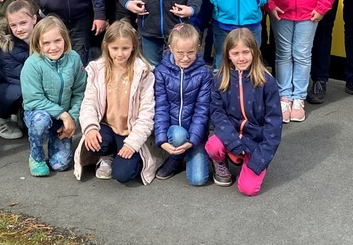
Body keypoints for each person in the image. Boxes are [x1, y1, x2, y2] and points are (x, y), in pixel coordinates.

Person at [73, 20, 162, 184]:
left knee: (122, 175)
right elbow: (89, 104)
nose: (120, 54)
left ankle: (132, 156)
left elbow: (147, 114)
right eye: (115, 48)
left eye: (125, 48)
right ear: (106, 46)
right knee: (93, 145)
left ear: (133, 47)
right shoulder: (97, 69)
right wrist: (90, 128)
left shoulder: (144, 73)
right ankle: (107, 155)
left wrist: (132, 144)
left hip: (130, 130)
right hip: (106, 126)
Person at [206, 28, 282, 196]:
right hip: (231, 135)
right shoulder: (220, 80)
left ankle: (247, 161)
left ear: (254, 51)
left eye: (246, 52)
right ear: (228, 55)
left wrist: (260, 159)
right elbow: (217, 114)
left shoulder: (267, 82)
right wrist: (233, 142)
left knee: (248, 189)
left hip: (255, 141)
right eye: (235, 53)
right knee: (213, 145)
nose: (241, 58)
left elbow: (274, 126)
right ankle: (222, 161)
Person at [21, 15, 87, 176]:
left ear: (65, 39)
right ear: (38, 44)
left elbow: (80, 91)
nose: (53, 47)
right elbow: (34, 99)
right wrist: (63, 114)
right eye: (46, 43)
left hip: (64, 118)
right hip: (39, 114)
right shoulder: (32, 64)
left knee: (60, 165)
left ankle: (56, 140)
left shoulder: (74, 59)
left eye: (57, 40)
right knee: (41, 121)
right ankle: (36, 156)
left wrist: (72, 118)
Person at [152, 23, 211, 186]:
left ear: (198, 48)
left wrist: (193, 140)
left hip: (196, 133)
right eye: (180, 53)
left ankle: (190, 150)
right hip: (174, 131)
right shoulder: (161, 72)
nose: (185, 58)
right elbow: (161, 108)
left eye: (190, 52)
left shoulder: (204, 73)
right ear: (171, 49)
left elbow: (202, 110)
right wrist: (162, 140)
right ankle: (175, 156)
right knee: (178, 135)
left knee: (198, 180)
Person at [0, 0, 39, 140]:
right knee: (20, 91)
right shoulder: (7, 48)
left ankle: (21, 112)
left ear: (34, 19)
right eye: (13, 25)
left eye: (23, 23)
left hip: (32, 85)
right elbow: (21, 78)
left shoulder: (44, 38)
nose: (19, 29)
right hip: (0, 89)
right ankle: (1, 118)